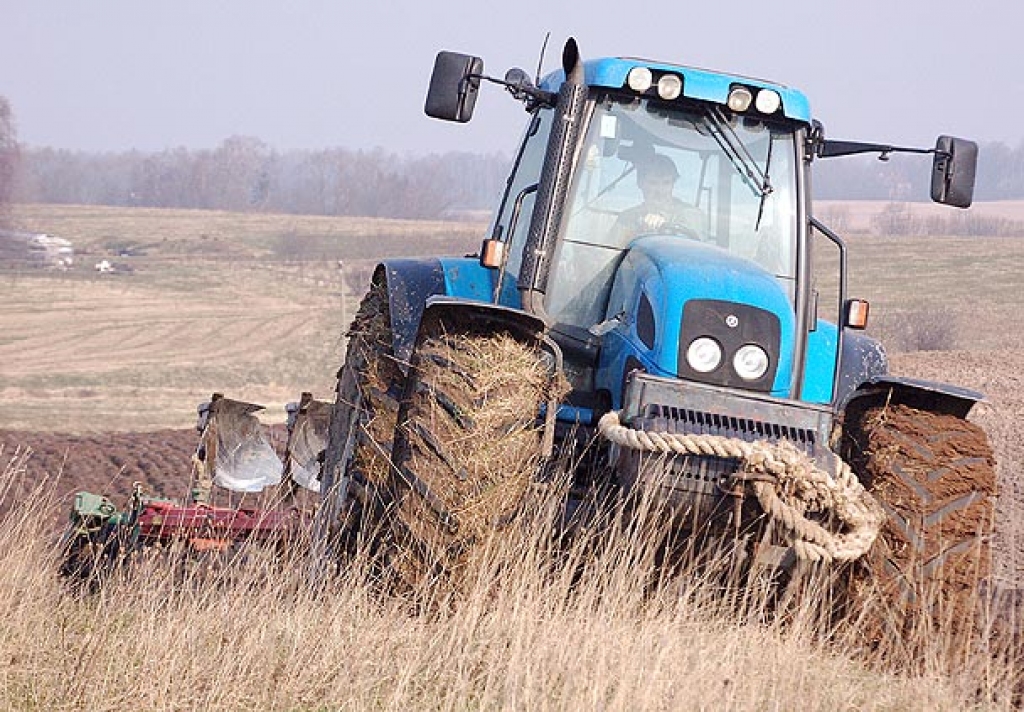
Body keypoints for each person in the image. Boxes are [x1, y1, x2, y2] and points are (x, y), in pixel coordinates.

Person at [609, 153, 704, 244]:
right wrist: (637, 232)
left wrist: (665, 228)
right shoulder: (627, 218)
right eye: (653, 183)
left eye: (666, 183)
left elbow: (696, 250)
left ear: (673, 184)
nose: (660, 191)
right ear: (640, 183)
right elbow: (608, 253)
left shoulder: (691, 214)